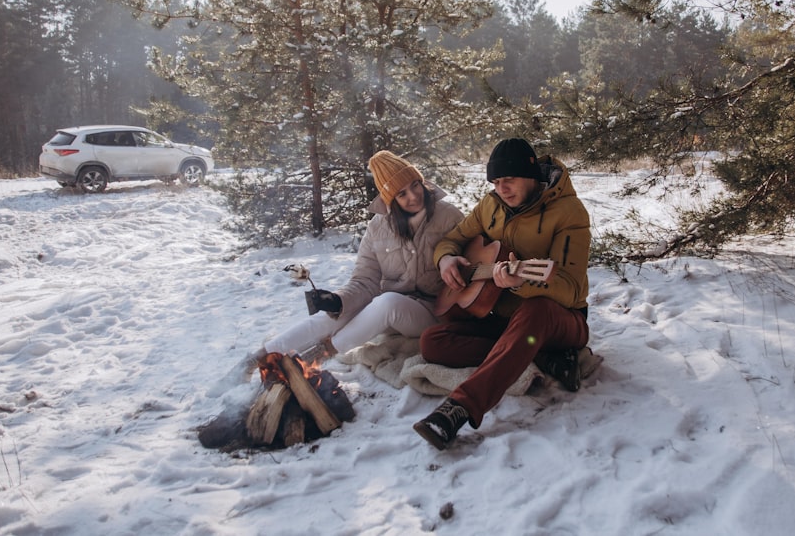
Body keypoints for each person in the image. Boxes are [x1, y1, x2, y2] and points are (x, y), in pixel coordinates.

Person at [413, 137, 591, 450]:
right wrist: (445, 259)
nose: (501, 189)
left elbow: (573, 290)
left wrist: (522, 282)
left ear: (532, 176)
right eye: (496, 181)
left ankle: (461, 408)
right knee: (432, 342)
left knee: (536, 309)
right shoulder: (490, 205)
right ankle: (537, 357)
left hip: (562, 321)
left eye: (509, 180)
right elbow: (452, 240)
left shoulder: (569, 213)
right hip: (509, 323)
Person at [246, 151, 464, 372]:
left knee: (387, 302)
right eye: (402, 194)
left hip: (432, 312)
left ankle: (319, 356)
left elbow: (471, 256)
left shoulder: (449, 215)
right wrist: (337, 301)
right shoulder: (378, 228)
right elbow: (365, 280)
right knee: (334, 316)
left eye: (415, 185)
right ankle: (258, 358)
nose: (413, 197)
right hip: (387, 315)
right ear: (390, 199)